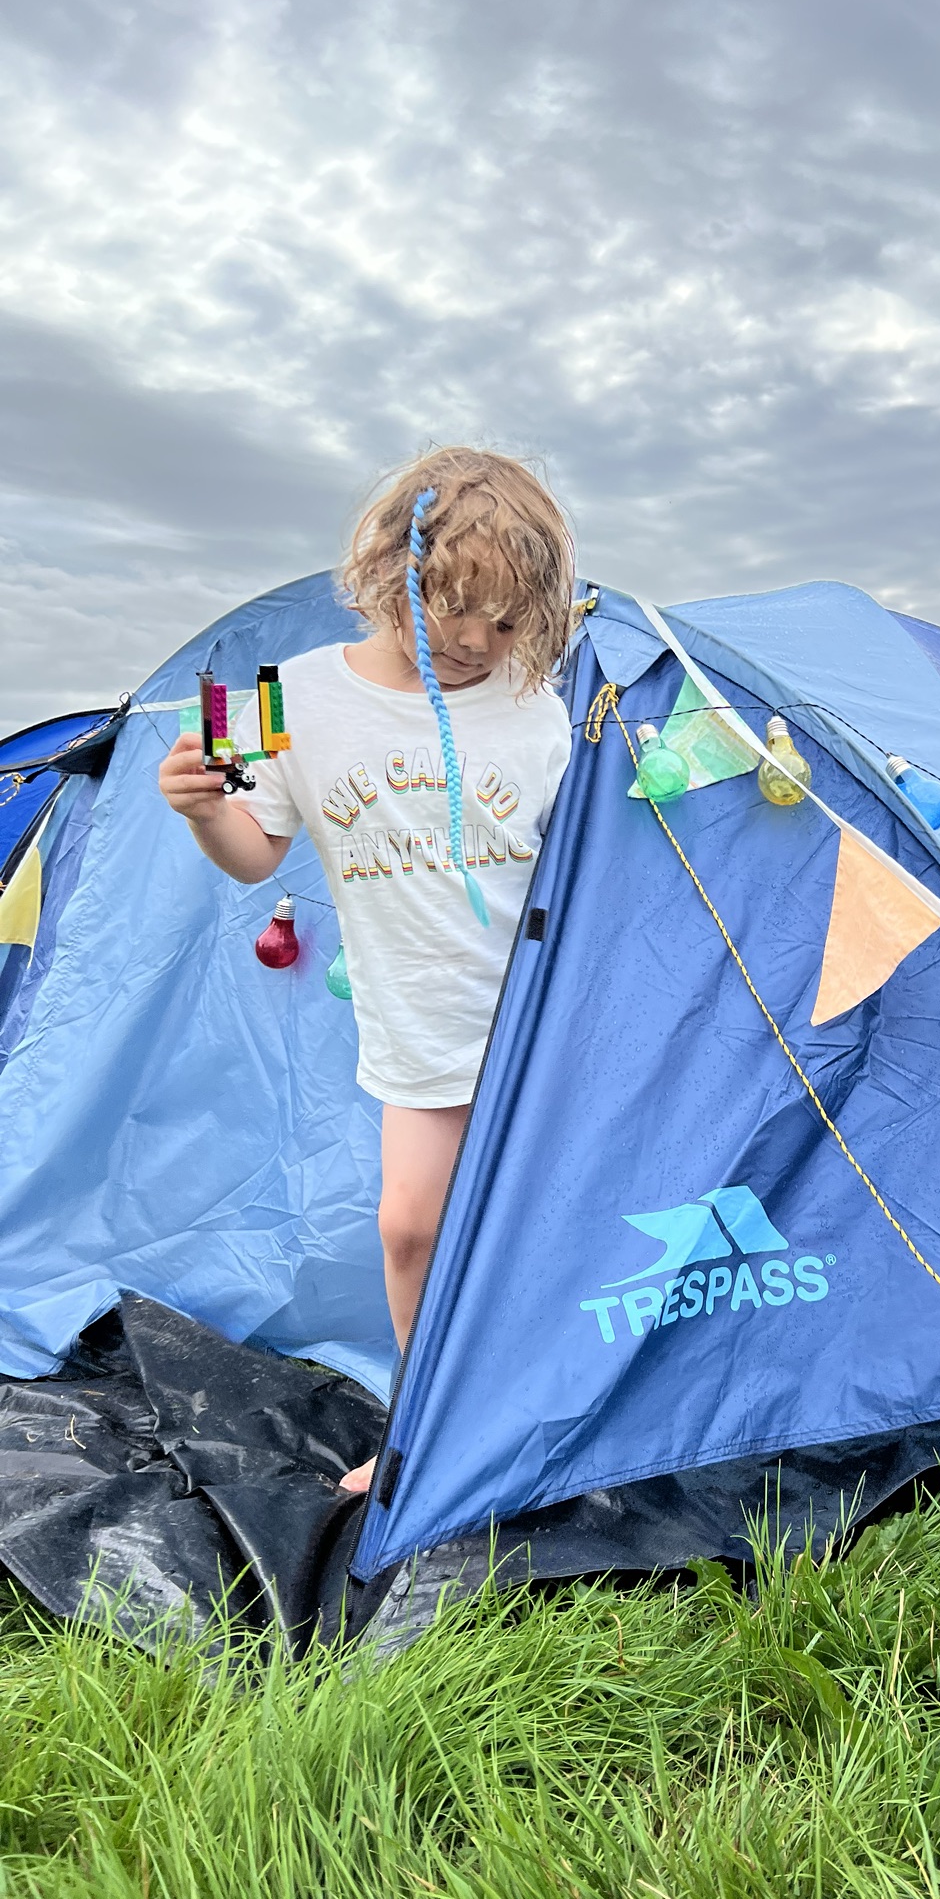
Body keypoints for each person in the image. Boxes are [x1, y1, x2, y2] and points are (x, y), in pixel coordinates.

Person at [158, 447, 575, 1492]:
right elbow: (257, 847)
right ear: (392, 579)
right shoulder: (283, 697)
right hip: (420, 1026)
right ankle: (427, 1423)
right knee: (410, 1226)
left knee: (554, 1221)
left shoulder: (540, 705)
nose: (482, 645)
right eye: (455, 620)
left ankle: (563, 1402)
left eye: (510, 622)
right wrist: (210, 806)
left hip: (547, 1022)